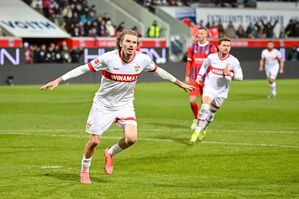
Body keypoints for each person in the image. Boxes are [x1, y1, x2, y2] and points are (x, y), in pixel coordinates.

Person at [40, 30, 194, 184]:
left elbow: (159, 71)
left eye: (134, 42)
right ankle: (84, 170)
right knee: (94, 142)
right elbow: (83, 68)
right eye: (128, 41)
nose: (131, 45)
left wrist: (179, 83)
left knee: (131, 138)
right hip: (103, 104)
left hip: (125, 104)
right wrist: (59, 79)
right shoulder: (108, 59)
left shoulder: (142, 60)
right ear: (121, 43)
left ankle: (110, 152)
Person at [189, 37, 243, 143]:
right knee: (204, 107)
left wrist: (230, 74)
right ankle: (196, 132)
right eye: (224, 45)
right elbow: (204, 66)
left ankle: (204, 128)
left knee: (210, 114)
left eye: (228, 46)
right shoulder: (212, 57)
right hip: (209, 87)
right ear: (218, 46)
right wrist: (199, 76)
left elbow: (240, 77)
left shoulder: (233, 61)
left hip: (222, 92)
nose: (226, 48)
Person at [185, 26, 217, 130]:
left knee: (205, 104)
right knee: (192, 101)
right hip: (194, 79)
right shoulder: (192, 47)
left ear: (206, 34)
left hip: (207, 80)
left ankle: (202, 123)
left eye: (201, 33)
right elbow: (189, 62)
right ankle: (196, 118)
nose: (199, 35)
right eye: (198, 33)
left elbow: (215, 64)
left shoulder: (212, 48)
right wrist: (187, 75)